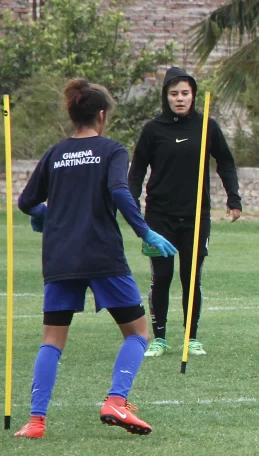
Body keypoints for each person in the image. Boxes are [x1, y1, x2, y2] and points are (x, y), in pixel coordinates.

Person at [14, 79, 178, 439]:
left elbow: (25, 203)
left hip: (59, 257)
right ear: (101, 116)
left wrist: (45, 216)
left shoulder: (56, 153)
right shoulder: (112, 150)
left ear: (73, 115)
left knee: (52, 340)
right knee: (137, 332)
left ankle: (36, 422)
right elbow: (119, 191)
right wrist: (145, 232)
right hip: (101, 254)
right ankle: (116, 401)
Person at [128, 67, 243, 357]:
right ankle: (159, 338)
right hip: (158, 216)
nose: (179, 99)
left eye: (185, 93)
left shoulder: (207, 127)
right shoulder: (153, 130)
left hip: (196, 216)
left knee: (191, 278)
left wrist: (234, 197)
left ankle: (191, 338)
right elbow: (138, 167)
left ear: (193, 95)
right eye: (173, 93)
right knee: (162, 276)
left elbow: (226, 162)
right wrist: (132, 202)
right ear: (166, 96)